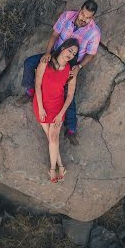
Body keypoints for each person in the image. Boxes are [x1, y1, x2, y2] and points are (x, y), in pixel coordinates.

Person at [22, 0, 101, 146]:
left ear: (93, 17)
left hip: (71, 64)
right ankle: (31, 90)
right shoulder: (67, 16)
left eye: (88, 17)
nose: (84, 19)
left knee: (68, 94)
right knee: (29, 63)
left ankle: (71, 129)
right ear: (80, 10)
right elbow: (54, 34)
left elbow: (91, 54)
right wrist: (47, 53)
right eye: (83, 14)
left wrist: (79, 67)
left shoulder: (94, 32)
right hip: (55, 55)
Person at [33, 38, 79, 184]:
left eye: (74, 54)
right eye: (70, 50)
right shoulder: (45, 62)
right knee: (50, 137)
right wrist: (40, 107)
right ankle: (61, 166)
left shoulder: (70, 72)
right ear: (63, 47)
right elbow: (37, 85)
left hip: (57, 107)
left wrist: (60, 114)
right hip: (42, 103)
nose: (71, 55)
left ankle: (53, 169)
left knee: (52, 137)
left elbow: (70, 95)